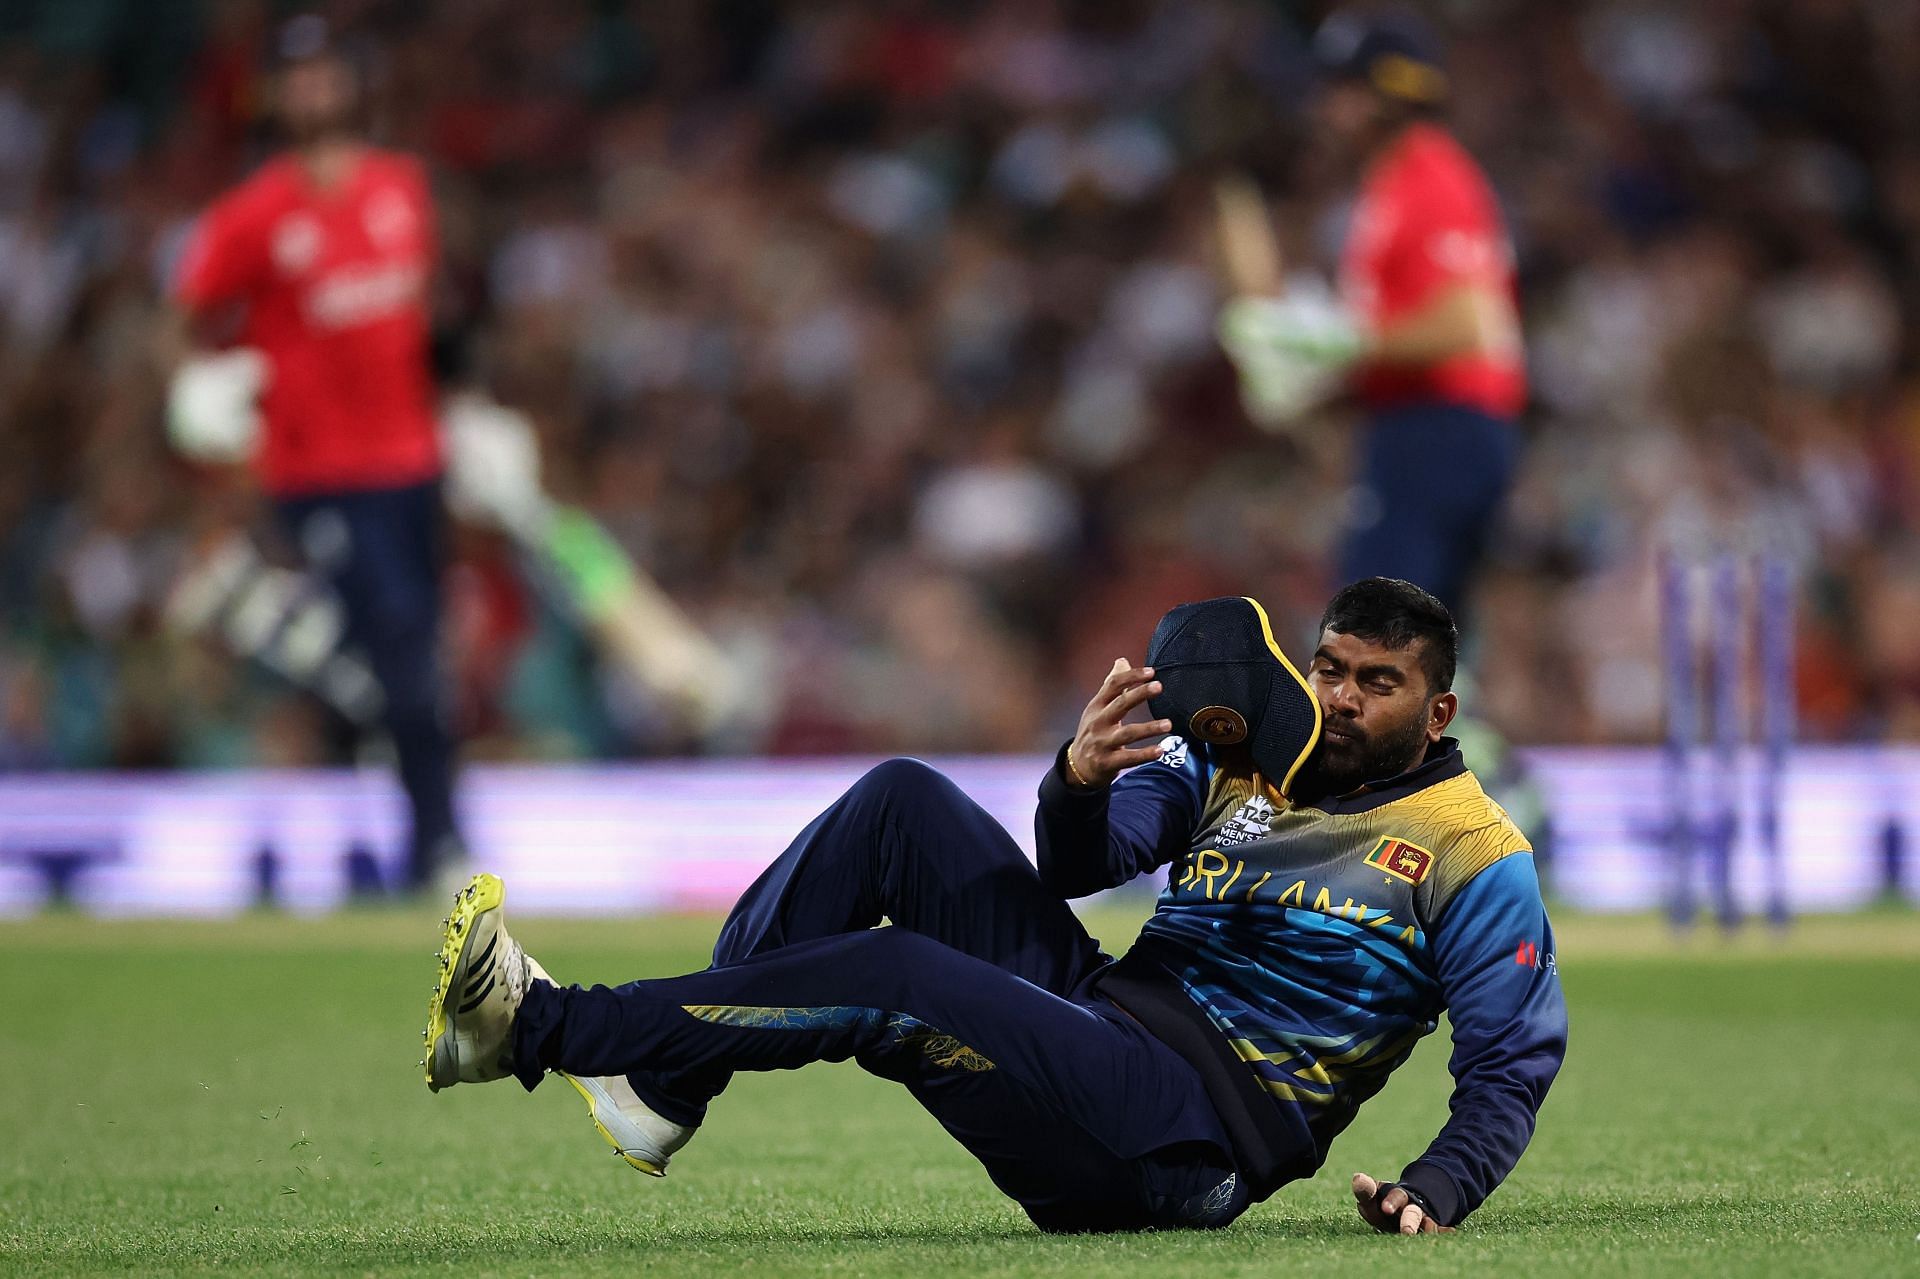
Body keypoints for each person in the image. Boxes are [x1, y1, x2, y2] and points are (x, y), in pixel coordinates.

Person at [421, 578, 1565, 1235]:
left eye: (1379, 682)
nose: (1343, 697)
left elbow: (1512, 1060)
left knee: (896, 975)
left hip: (1189, 1132)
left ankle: (540, 1031)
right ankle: (661, 1086)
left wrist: (1440, 1185)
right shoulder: (1241, 754)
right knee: (901, 803)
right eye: (1331, 667)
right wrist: (1078, 774)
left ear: (1439, 703)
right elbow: (1084, 864)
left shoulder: (1472, 846)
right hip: (1108, 1018)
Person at [170, 17, 459, 889]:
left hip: (413, 464)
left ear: (351, 83)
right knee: (389, 654)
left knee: (403, 658)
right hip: (317, 476)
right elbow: (183, 319)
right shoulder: (251, 215)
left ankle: (392, 851)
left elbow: (424, 322)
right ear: (272, 96)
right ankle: (436, 842)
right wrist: (197, 386)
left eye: (326, 73)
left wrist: (462, 404)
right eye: (296, 77)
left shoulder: (403, 188)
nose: (314, 90)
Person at [1217, 10, 1524, 621]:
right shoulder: (1392, 185)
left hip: (1440, 427)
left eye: (1339, 90)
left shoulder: (1428, 174)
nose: (1324, 107)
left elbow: (1471, 327)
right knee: (1425, 640)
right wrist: (1315, 382)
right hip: (1428, 425)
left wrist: (1335, 341)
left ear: (1384, 93)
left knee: (1371, 634)